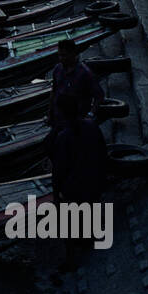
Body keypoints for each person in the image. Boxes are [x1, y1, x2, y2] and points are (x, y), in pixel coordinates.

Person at [48, 92, 108, 273]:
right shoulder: (92, 126)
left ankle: (71, 259)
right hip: (95, 182)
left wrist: (56, 193)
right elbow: (103, 153)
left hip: (76, 187)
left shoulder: (64, 137)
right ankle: (88, 238)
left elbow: (59, 171)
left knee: (66, 219)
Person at [49, 39, 103, 127]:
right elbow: (54, 91)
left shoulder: (85, 74)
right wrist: (50, 114)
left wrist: (91, 114)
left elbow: (99, 96)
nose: (61, 58)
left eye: (64, 55)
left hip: (77, 121)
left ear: (73, 54)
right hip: (58, 119)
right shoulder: (58, 69)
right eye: (59, 55)